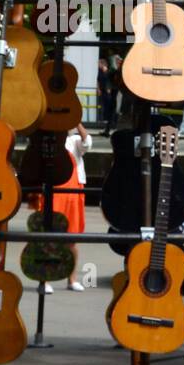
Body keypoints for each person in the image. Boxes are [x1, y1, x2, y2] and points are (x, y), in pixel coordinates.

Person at [56, 122, 91, 291]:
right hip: (55, 191)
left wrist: (77, 123)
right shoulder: (51, 140)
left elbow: (87, 143)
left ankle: (72, 279)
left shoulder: (74, 140)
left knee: (72, 238)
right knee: (49, 236)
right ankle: (45, 280)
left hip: (74, 190)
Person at [97, 58, 116, 133]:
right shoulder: (100, 72)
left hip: (108, 92)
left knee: (108, 107)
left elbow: (110, 80)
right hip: (103, 91)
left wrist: (109, 88)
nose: (98, 65)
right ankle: (105, 123)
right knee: (103, 106)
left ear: (102, 64)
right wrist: (98, 89)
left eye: (99, 64)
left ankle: (109, 124)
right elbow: (98, 80)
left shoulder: (107, 71)